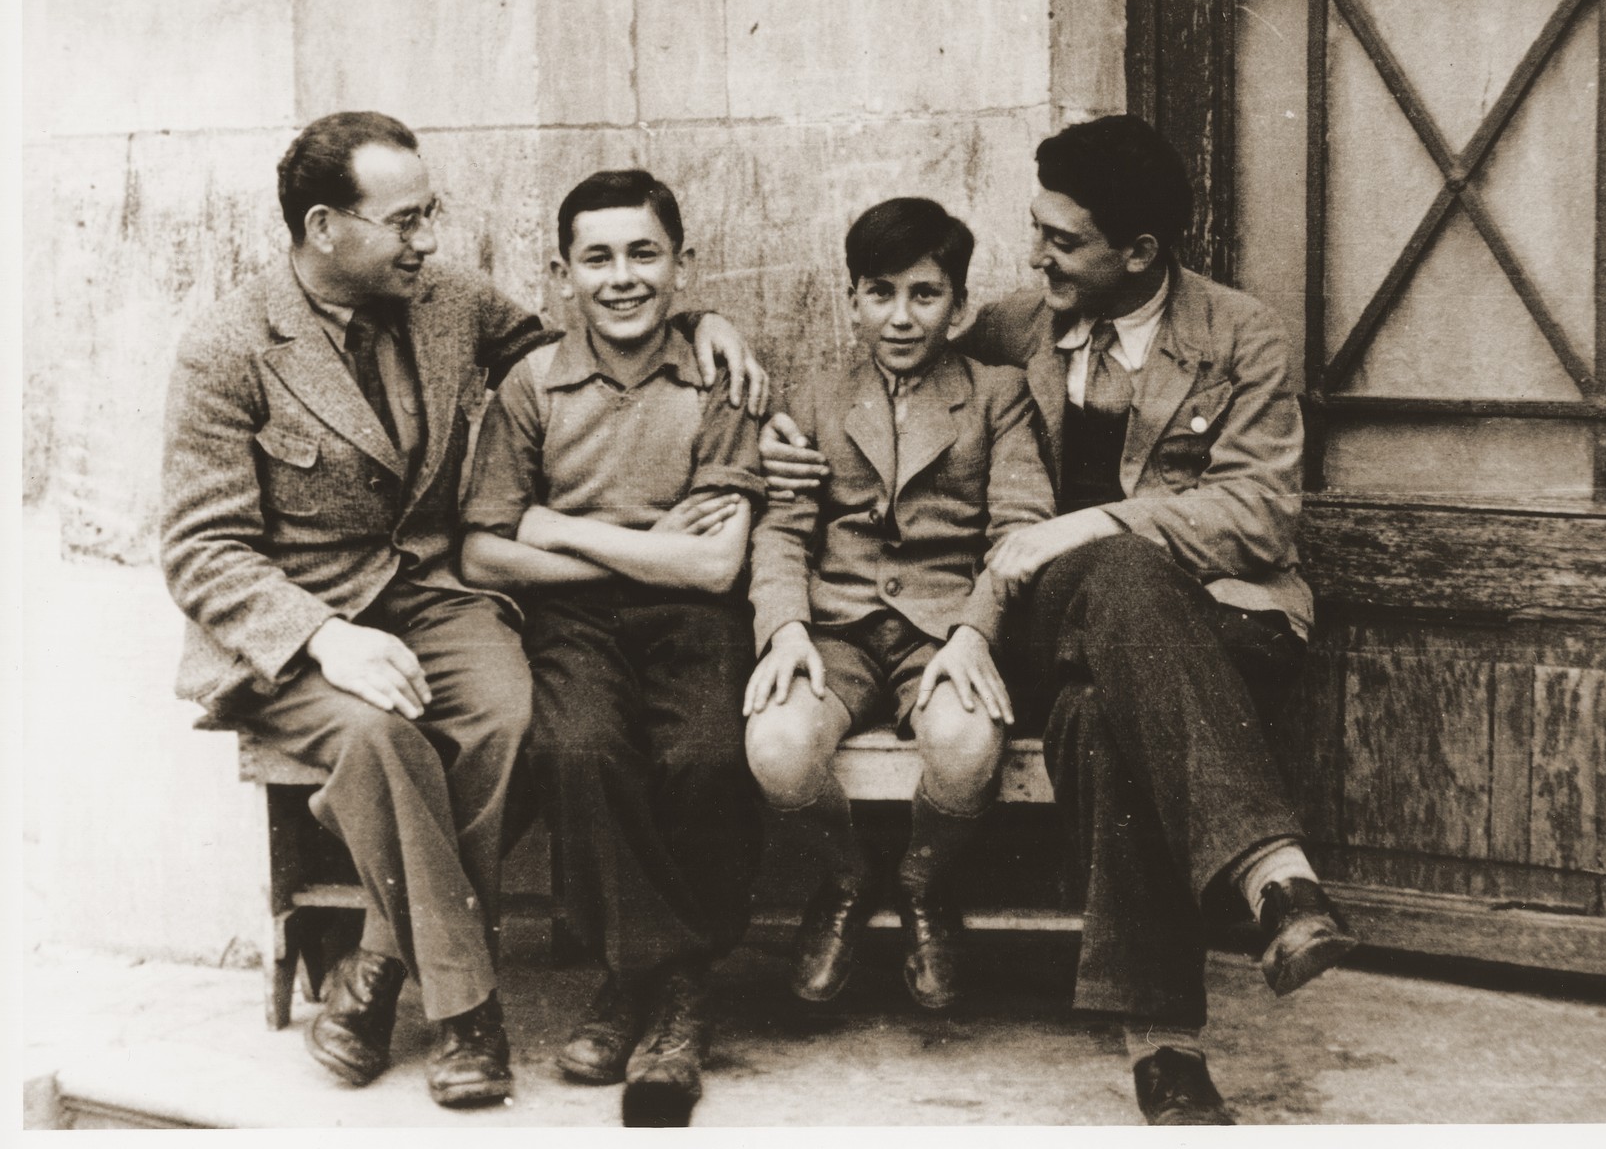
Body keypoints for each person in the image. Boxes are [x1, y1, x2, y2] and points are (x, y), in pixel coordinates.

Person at [761, 115, 1357, 1125]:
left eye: (1061, 240)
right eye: (1035, 231)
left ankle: (1164, 1046)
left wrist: (1081, 529)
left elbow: (1258, 513)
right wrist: (779, 434)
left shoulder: (1237, 336)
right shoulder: (1011, 328)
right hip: (1050, 627)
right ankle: (1273, 877)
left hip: (1219, 622)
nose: (1036, 255)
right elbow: (896, 383)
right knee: (1107, 613)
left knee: (1096, 708)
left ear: (1139, 253)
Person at [159, 112, 763, 1110]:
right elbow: (200, 549)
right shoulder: (228, 348)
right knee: (386, 739)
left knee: (505, 714)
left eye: (428, 215)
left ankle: (379, 963)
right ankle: (463, 1011)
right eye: (405, 220)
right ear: (323, 227)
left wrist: (703, 328)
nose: (427, 239)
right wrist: (325, 637)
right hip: (293, 629)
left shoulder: (447, 300)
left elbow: (587, 339)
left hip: (429, 595)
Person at [460, 169, 764, 1127]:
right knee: (579, 748)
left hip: (696, 623)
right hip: (575, 622)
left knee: (710, 753)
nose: (622, 277)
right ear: (562, 274)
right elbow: (479, 548)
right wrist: (637, 555)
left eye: (645, 253)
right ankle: (660, 992)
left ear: (682, 265)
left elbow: (715, 570)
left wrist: (559, 527)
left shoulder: (720, 376)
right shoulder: (531, 384)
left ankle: (646, 990)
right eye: (597, 257)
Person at [744, 198, 1054, 1011]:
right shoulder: (814, 396)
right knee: (777, 744)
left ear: (957, 302)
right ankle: (848, 882)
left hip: (945, 629)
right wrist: (783, 630)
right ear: (853, 299)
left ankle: (922, 885)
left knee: (964, 741)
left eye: (926, 293)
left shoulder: (998, 393)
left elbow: (1020, 528)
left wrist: (976, 634)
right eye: (880, 293)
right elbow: (781, 528)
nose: (902, 316)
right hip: (835, 627)